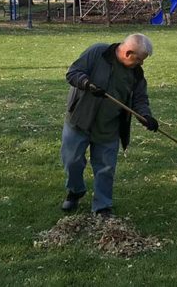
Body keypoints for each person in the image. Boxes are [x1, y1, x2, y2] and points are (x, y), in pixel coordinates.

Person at [60, 33, 159, 218]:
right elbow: (73, 73)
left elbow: (139, 99)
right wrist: (87, 84)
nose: (141, 64)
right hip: (80, 120)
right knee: (71, 161)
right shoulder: (98, 52)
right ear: (128, 53)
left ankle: (102, 206)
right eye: (139, 59)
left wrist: (146, 116)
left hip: (109, 127)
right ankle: (75, 191)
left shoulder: (136, 73)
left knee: (105, 168)